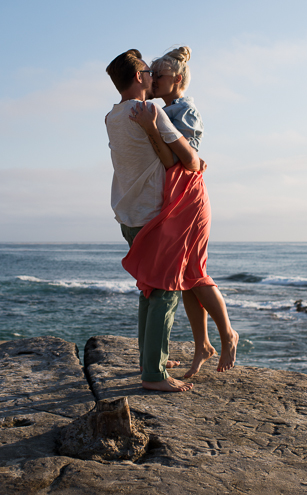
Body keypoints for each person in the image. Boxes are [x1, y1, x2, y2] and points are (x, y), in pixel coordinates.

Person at [123, 46, 239, 379]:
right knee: (184, 275)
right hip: (175, 198)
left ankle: (228, 334)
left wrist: (152, 130)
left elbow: (181, 160)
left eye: (158, 75)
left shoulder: (184, 111)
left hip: (188, 199)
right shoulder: (165, 109)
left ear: (177, 78)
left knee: (194, 272)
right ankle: (202, 343)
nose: (153, 80)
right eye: (151, 75)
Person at [105, 49, 202, 393]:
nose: (150, 76)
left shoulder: (111, 117)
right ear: (138, 78)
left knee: (149, 288)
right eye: (147, 71)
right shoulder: (151, 111)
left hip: (128, 215)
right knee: (165, 291)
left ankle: (151, 359)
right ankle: (154, 375)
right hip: (154, 215)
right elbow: (190, 161)